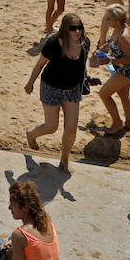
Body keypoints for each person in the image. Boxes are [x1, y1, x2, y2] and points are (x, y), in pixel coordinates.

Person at [25, 13, 88, 174]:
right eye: (73, 28)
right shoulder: (53, 43)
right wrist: (30, 83)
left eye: (79, 27)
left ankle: (64, 160)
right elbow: (40, 64)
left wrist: (88, 77)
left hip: (72, 89)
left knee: (71, 129)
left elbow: (82, 64)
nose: (77, 31)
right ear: (65, 29)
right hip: (51, 87)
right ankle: (31, 134)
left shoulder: (84, 43)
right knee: (51, 127)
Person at [0, 181, 59, 260]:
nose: (9, 207)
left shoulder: (19, 235)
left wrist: (9, 256)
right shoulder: (46, 220)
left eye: (12, 204)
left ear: (25, 208)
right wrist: (13, 243)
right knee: (11, 239)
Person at [94, 4, 130, 134]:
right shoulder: (119, 28)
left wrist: (110, 61)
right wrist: (103, 47)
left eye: (109, 19)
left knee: (104, 94)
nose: (106, 22)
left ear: (117, 20)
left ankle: (117, 122)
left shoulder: (123, 36)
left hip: (125, 71)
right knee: (124, 96)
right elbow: (113, 43)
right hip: (122, 69)